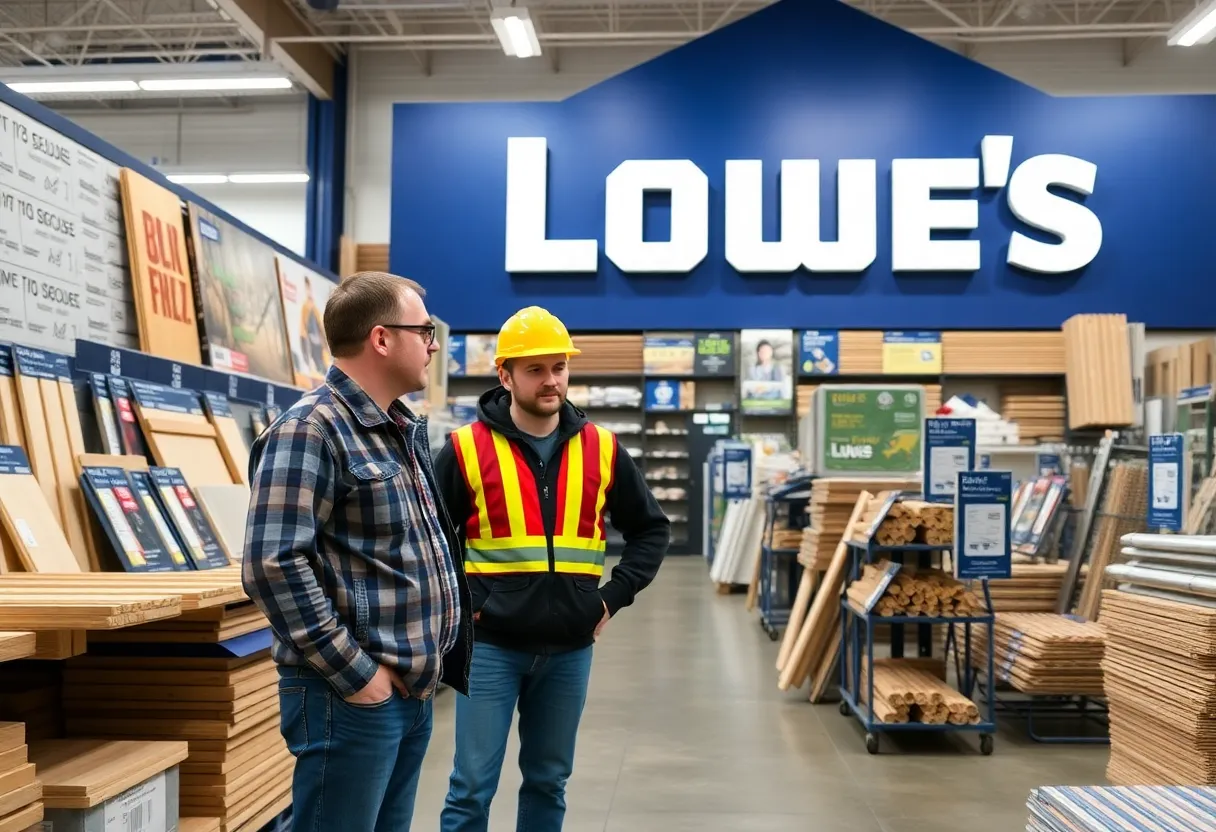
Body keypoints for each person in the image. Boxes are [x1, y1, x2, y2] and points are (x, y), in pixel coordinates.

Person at [242, 271, 472, 832]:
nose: (434, 343)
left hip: (408, 689)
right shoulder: (311, 430)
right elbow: (272, 564)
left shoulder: (394, 428)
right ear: (382, 338)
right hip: (349, 696)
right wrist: (359, 676)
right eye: (425, 330)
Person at [435, 306, 670, 832]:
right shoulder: (465, 450)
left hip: (569, 650)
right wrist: (468, 600)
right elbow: (428, 540)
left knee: (548, 782)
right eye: (536, 369)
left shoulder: (603, 449)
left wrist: (610, 598)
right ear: (505, 375)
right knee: (471, 788)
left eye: (558, 367)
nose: (551, 380)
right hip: (490, 647)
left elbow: (651, 530)